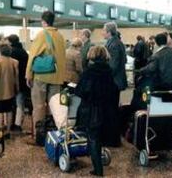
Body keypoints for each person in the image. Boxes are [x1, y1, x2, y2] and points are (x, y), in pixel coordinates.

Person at [75, 46, 115, 177]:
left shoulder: (89, 72)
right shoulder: (109, 71)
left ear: (91, 55)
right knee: (99, 138)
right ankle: (99, 164)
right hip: (106, 109)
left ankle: (98, 169)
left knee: (93, 139)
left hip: (91, 110)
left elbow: (81, 91)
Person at [26, 11, 66, 140]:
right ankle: (54, 134)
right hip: (57, 76)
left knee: (38, 106)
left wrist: (28, 75)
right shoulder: (60, 36)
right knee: (54, 106)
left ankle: (39, 136)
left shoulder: (42, 34)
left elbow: (33, 56)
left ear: (43, 21)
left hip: (42, 76)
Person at [102, 22, 127, 146]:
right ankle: (111, 137)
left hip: (114, 82)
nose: (102, 32)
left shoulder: (114, 44)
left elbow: (113, 65)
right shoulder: (117, 43)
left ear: (109, 32)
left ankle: (112, 139)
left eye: (103, 30)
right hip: (115, 81)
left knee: (111, 110)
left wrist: (104, 75)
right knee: (111, 108)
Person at [7, 34, 29, 132]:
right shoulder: (24, 52)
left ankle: (9, 123)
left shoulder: (10, 52)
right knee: (20, 103)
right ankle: (18, 124)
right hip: (23, 81)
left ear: (10, 42)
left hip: (12, 81)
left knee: (11, 103)